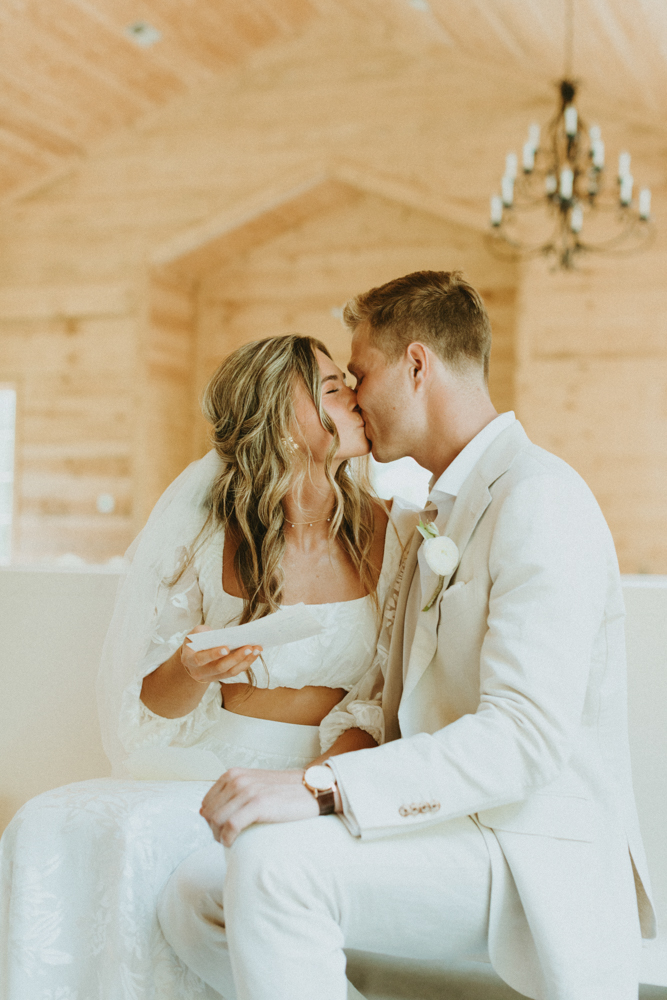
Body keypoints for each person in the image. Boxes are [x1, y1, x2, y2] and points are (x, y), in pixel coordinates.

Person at [160, 271, 656, 1000]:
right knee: (195, 892)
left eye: (359, 373)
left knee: (275, 866)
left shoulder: (539, 498)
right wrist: (302, 781)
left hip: (524, 848)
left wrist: (321, 788)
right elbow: (381, 700)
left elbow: (521, 738)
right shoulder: (430, 515)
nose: (352, 396)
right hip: (445, 828)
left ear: (416, 365)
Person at [0, 334, 414, 1000]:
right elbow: (153, 703)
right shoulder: (206, 529)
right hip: (207, 757)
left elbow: (384, 693)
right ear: (283, 419)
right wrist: (192, 673)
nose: (356, 397)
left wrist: (314, 788)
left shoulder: (389, 531)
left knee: (200, 859)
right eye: (332, 388)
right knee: (50, 823)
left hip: (325, 766)